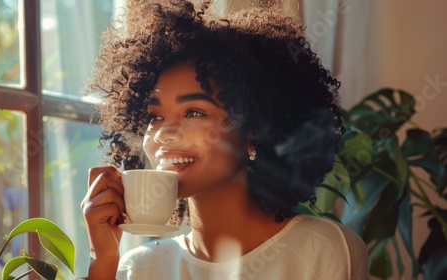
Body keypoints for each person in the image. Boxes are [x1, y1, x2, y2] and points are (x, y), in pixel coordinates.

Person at [81, 0, 369, 279]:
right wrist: (102, 263)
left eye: (193, 112)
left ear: (253, 131)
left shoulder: (324, 249)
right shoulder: (138, 269)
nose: (163, 133)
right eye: (155, 116)